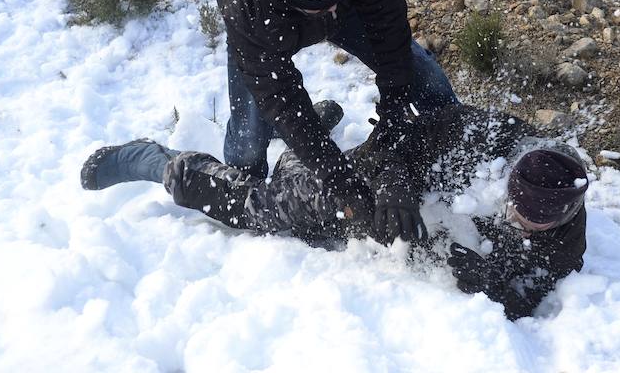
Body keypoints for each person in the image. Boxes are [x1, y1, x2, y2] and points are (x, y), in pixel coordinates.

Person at [81, 103, 589, 320]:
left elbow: (528, 293)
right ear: (510, 176)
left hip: (409, 225)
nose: (521, 224)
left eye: (536, 223)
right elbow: (397, 140)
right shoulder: (483, 135)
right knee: (266, 206)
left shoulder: (566, 227)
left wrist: (482, 278)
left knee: (299, 188)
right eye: (516, 210)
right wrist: (393, 187)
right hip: (370, 183)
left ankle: (306, 141)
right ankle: (158, 163)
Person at [216, 0, 457, 227]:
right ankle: (241, 186)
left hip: (350, 7)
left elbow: (388, 23)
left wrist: (396, 105)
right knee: (249, 139)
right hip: (265, 26)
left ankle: (448, 148)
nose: (327, 8)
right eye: (318, 6)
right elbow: (280, 94)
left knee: (426, 78)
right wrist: (339, 179)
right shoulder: (247, 1)